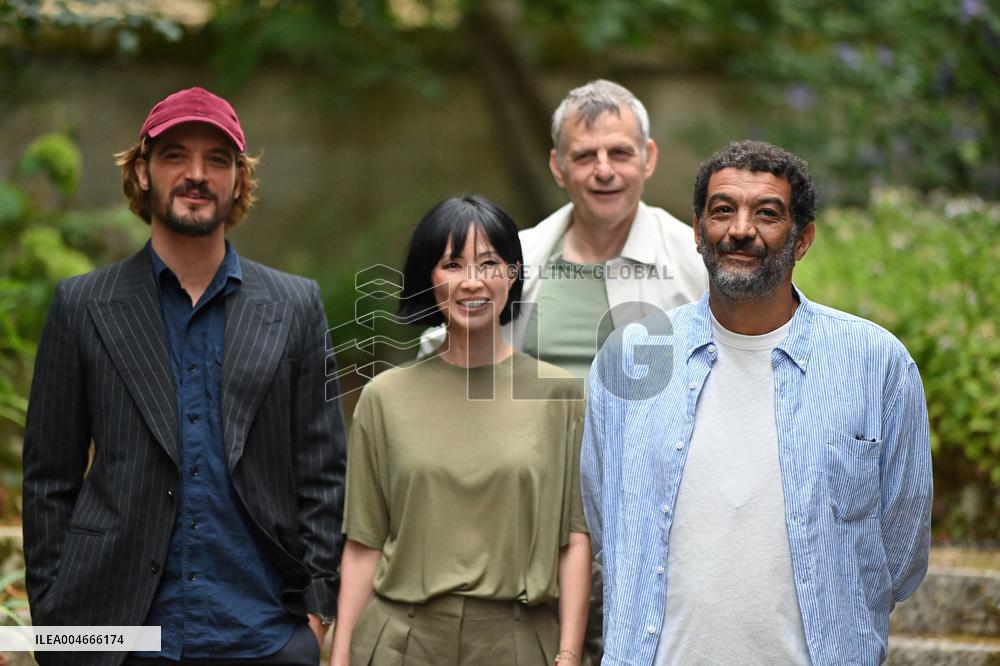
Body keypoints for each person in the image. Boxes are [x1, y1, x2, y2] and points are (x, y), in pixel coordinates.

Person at [22, 87, 346, 666]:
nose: (196, 174)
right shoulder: (83, 305)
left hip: (264, 633)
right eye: (175, 155)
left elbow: (323, 470)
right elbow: (50, 478)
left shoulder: (296, 306)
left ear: (239, 181)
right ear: (142, 172)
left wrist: (319, 612)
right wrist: (55, 628)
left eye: (217, 160)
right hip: (121, 638)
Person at [581, 139, 933, 665]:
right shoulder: (632, 357)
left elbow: (901, 550)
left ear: (803, 238)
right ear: (698, 232)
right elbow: (606, 515)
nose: (740, 229)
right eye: (722, 211)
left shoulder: (875, 363)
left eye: (767, 213)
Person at [331, 195, 591, 666]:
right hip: (401, 642)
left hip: (517, 641)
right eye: (452, 264)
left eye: (489, 263)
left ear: (512, 275)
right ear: (428, 280)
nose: (472, 282)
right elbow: (363, 545)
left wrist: (569, 653)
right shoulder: (384, 397)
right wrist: (342, 656)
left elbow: (574, 542)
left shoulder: (559, 395)